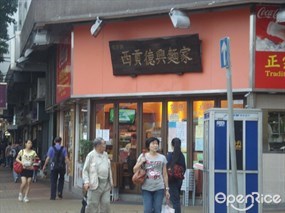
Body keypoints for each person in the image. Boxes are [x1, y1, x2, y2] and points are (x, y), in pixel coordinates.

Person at [133, 137, 170, 213]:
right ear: (148, 146)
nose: (155, 145)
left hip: (159, 188)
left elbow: (165, 174)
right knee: (147, 210)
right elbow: (134, 170)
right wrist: (141, 162)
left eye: (157, 144)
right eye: (153, 144)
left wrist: (167, 189)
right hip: (146, 188)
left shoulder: (162, 158)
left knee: (157, 210)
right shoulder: (143, 156)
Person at [82, 137, 113, 213]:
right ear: (98, 145)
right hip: (95, 183)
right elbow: (85, 170)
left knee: (106, 204)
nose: (105, 146)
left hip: (105, 184)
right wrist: (86, 181)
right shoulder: (91, 155)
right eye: (103, 144)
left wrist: (111, 181)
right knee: (92, 205)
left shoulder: (105, 155)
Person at [166, 137, 186, 213]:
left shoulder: (170, 155)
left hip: (171, 180)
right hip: (179, 180)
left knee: (175, 201)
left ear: (172, 145)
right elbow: (184, 168)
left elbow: (166, 167)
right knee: (176, 199)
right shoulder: (182, 156)